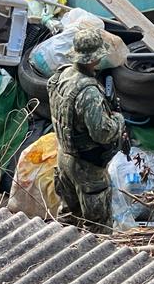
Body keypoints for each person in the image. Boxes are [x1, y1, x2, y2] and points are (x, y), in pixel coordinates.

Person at [47, 27, 126, 234]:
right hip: (87, 166)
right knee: (98, 229)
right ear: (93, 59)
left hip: (64, 158)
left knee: (69, 221)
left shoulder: (60, 76)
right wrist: (118, 120)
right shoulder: (88, 92)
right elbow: (102, 132)